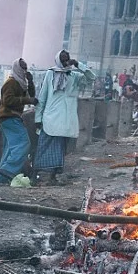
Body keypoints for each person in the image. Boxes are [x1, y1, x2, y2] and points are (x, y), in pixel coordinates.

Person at [34, 50, 95, 185]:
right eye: (63, 58)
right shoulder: (50, 73)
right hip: (50, 117)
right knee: (45, 147)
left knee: (60, 148)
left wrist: (78, 64)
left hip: (66, 120)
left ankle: (53, 177)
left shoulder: (74, 76)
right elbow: (42, 97)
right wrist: (38, 118)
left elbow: (92, 77)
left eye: (67, 58)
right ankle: (39, 177)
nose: (65, 61)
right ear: (58, 60)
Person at [0, 59, 37, 185]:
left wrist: (31, 82)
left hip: (11, 117)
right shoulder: (11, 82)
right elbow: (8, 100)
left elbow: (31, 95)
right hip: (9, 117)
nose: (24, 70)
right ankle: (8, 172)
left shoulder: (21, 83)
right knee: (23, 144)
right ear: (17, 68)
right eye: (22, 67)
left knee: (10, 148)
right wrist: (28, 101)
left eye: (26, 67)